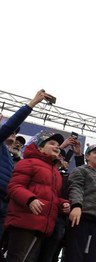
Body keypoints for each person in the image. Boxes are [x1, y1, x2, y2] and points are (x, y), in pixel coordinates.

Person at [0, 131, 69, 262]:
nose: (57, 147)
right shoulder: (28, 163)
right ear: (40, 146)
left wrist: (62, 204)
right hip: (24, 222)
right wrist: (30, 199)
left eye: (58, 145)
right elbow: (14, 187)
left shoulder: (55, 173)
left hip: (42, 225)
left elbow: (49, 196)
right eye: (52, 143)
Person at [0, 89, 53, 240]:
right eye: (11, 131)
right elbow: (9, 125)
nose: (13, 133)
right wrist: (32, 103)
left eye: (16, 133)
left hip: (6, 204)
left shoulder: (13, 158)